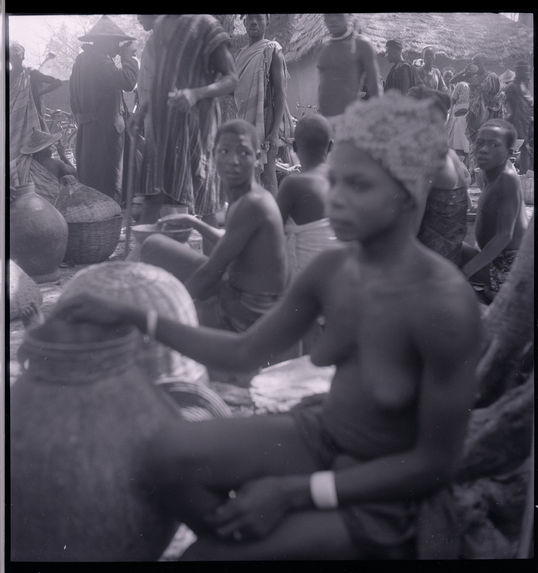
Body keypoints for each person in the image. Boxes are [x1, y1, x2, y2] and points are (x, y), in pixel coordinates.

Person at [56, 92, 482, 560]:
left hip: (386, 500)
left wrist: (296, 494)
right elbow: (244, 353)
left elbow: (435, 464)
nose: (336, 200)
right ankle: (242, 539)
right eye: (334, 181)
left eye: (358, 186)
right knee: (161, 456)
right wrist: (135, 315)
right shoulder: (335, 269)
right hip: (325, 436)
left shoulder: (445, 305)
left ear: (408, 192)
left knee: (206, 557)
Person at [140, 119, 287, 335]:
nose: (233, 161)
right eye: (224, 151)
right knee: (154, 244)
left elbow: (211, 273)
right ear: (213, 154)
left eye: (244, 153)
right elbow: (229, 241)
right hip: (236, 290)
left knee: (166, 322)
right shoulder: (243, 196)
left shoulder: (253, 203)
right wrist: (194, 223)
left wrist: (170, 308)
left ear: (257, 159)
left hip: (249, 313)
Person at [139, 14, 237, 229]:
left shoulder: (206, 25)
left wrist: (196, 94)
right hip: (162, 126)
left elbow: (231, 79)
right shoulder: (160, 26)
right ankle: (144, 257)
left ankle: (213, 258)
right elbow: (160, 81)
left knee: (206, 200)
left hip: (197, 125)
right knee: (153, 197)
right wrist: (141, 112)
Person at [69, 15, 139, 203]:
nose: (118, 47)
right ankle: (109, 220)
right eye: (116, 43)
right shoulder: (100, 62)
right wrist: (128, 58)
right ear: (106, 42)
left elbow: (73, 100)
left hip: (88, 131)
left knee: (92, 178)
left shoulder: (81, 62)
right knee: (108, 181)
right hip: (104, 133)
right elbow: (128, 81)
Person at [460, 119, 529, 302]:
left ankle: (493, 291)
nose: (483, 149)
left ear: (509, 153)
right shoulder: (487, 174)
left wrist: (467, 271)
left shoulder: (507, 179)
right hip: (499, 260)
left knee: (450, 248)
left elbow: (504, 236)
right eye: (480, 143)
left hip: (508, 267)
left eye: (494, 145)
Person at [409, 87, 471, 266]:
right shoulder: (452, 156)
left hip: (427, 265)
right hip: (449, 258)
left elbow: (411, 229)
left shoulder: (427, 159)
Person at [235, 14, 294, 196]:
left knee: (268, 176)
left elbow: (280, 92)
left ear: (267, 22)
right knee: (248, 175)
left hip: (266, 121)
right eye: (250, 18)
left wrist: (274, 130)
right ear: (244, 22)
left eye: (259, 18)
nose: (254, 22)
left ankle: (274, 220)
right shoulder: (241, 55)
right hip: (245, 122)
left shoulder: (272, 49)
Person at [276, 114, 338, 279]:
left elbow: (272, 231)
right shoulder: (340, 179)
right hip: (340, 277)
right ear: (331, 146)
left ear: (294, 146)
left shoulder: (293, 185)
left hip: (306, 283)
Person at [317, 13, 382, 131]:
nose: (333, 19)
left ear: (349, 16)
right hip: (324, 123)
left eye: (338, 15)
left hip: (349, 123)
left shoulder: (361, 45)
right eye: (328, 15)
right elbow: (322, 85)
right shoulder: (325, 48)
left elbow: (374, 86)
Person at [9, 41, 60, 160]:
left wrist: (38, 93)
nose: (14, 60)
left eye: (17, 56)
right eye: (12, 57)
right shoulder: (7, 76)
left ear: (23, 57)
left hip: (34, 117)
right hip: (13, 118)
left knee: (36, 152)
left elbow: (57, 82)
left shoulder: (30, 73)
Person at [10, 128, 77, 205]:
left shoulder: (22, 163)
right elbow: (76, 174)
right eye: (49, 147)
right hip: (51, 207)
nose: (52, 149)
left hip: (27, 205)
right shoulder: (55, 163)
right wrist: (62, 155)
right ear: (43, 149)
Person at [504, 61, 533, 174]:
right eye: (525, 71)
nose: (527, 73)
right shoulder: (512, 88)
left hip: (523, 124)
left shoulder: (522, 86)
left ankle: (522, 176)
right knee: (516, 150)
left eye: (528, 71)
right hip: (515, 125)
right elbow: (512, 111)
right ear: (519, 72)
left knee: (523, 150)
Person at [446, 81, 471, 167]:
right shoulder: (472, 87)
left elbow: (453, 99)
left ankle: (459, 168)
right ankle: (467, 168)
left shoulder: (460, 85)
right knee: (467, 148)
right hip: (468, 118)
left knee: (458, 148)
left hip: (459, 120)